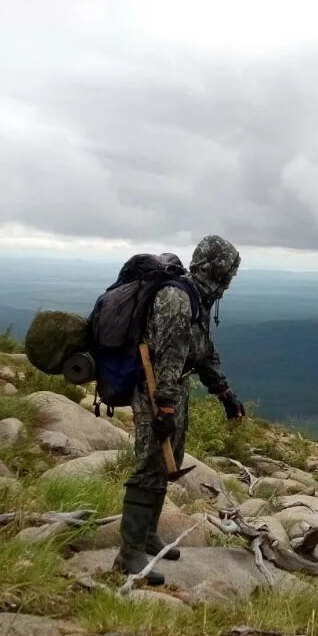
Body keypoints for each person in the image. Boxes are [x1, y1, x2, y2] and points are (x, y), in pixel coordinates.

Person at [114, 235, 246, 584]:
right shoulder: (176, 298)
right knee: (150, 462)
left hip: (174, 388)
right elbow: (167, 358)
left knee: (169, 458)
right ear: (216, 268)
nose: (229, 281)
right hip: (155, 388)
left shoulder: (197, 299)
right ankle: (129, 553)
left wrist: (225, 394)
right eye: (228, 272)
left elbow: (202, 352)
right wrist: (166, 408)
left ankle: (147, 535)